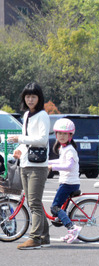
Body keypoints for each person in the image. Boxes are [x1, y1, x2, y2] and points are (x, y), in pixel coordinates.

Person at [9, 82, 51, 250]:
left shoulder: (43, 115)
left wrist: (20, 139)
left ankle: (34, 238)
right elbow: (27, 138)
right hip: (26, 162)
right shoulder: (26, 115)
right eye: (27, 96)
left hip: (38, 165)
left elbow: (42, 140)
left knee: (34, 203)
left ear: (39, 98)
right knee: (35, 202)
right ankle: (44, 236)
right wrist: (19, 148)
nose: (30, 99)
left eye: (33, 96)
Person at [48, 118, 82, 243]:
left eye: (64, 134)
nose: (61, 136)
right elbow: (60, 161)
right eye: (59, 133)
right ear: (56, 134)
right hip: (66, 183)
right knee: (62, 210)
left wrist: (52, 167)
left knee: (55, 207)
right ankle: (72, 232)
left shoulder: (70, 150)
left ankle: (72, 228)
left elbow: (68, 166)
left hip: (69, 184)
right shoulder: (63, 148)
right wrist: (46, 163)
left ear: (70, 135)